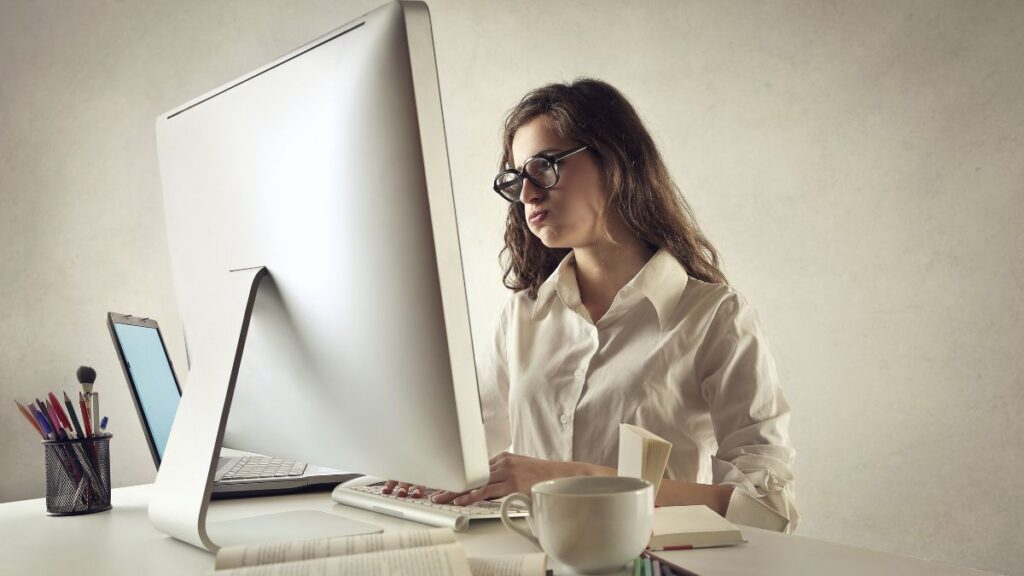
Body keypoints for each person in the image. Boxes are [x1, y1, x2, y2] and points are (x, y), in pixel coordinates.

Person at [385, 78, 799, 532]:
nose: (527, 195)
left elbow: (768, 509)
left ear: (614, 158)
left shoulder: (714, 316)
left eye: (543, 168)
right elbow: (476, 461)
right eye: (516, 179)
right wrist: (422, 476)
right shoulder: (522, 317)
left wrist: (575, 479)